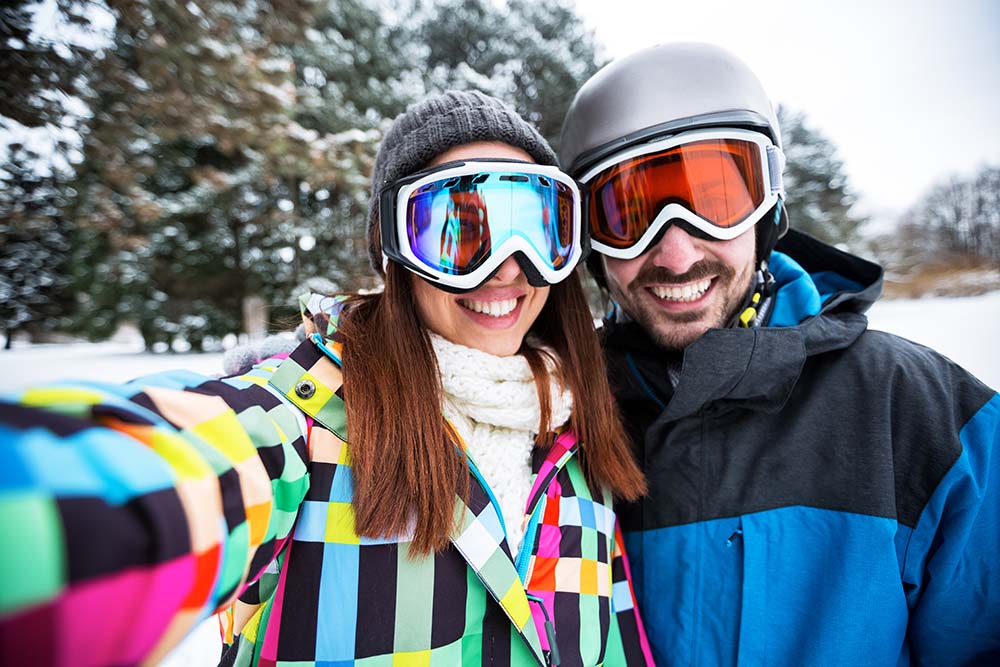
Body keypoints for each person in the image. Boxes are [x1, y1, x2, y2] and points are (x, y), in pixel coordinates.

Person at [0, 91, 655, 667]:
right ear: (393, 251)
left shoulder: (580, 441)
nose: (506, 268)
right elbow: (176, 471)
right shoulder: (307, 426)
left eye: (534, 227)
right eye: (457, 232)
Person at [557, 42, 1000, 666]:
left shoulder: (927, 415)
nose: (678, 255)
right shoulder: (558, 424)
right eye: (629, 215)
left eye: (714, 202)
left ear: (767, 212)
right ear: (591, 247)